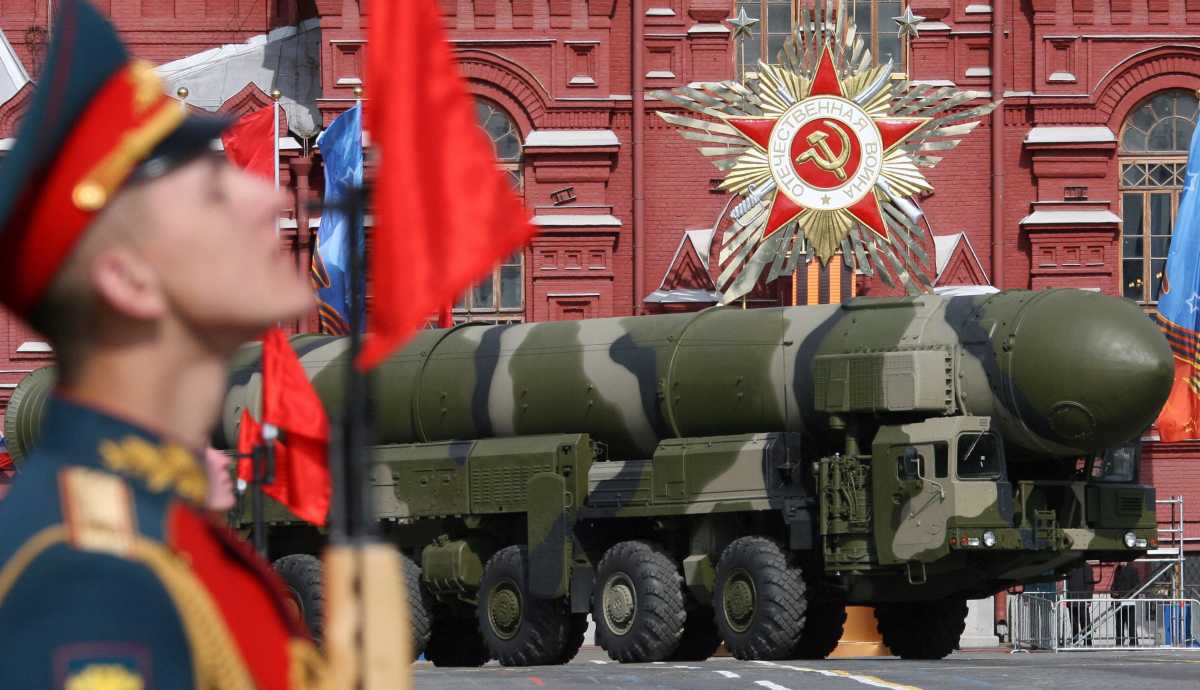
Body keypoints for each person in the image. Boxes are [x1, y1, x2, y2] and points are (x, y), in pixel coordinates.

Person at [0, 2, 325, 688]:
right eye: (213, 190)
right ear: (130, 279)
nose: (266, 202)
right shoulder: (91, 575)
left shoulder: (169, 542)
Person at [1112, 562, 1141, 647]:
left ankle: (1133, 641)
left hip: (1129, 601)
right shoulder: (1118, 569)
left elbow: (1137, 585)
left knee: (1130, 622)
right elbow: (1114, 584)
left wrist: (1132, 596)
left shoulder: (1133, 570)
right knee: (1119, 623)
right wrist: (1113, 592)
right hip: (1118, 601)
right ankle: (1119, 640)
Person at [1066, 563, 1096, 646]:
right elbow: (1068, 584)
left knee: (1085, 622)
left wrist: (1088, 599)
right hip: (1071, 599)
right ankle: (1075, 642)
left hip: (1083, 599)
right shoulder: (1069, 566)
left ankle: (1088, 642)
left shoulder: (1086, 566)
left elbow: (1090, 584)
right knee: (1074, 623)